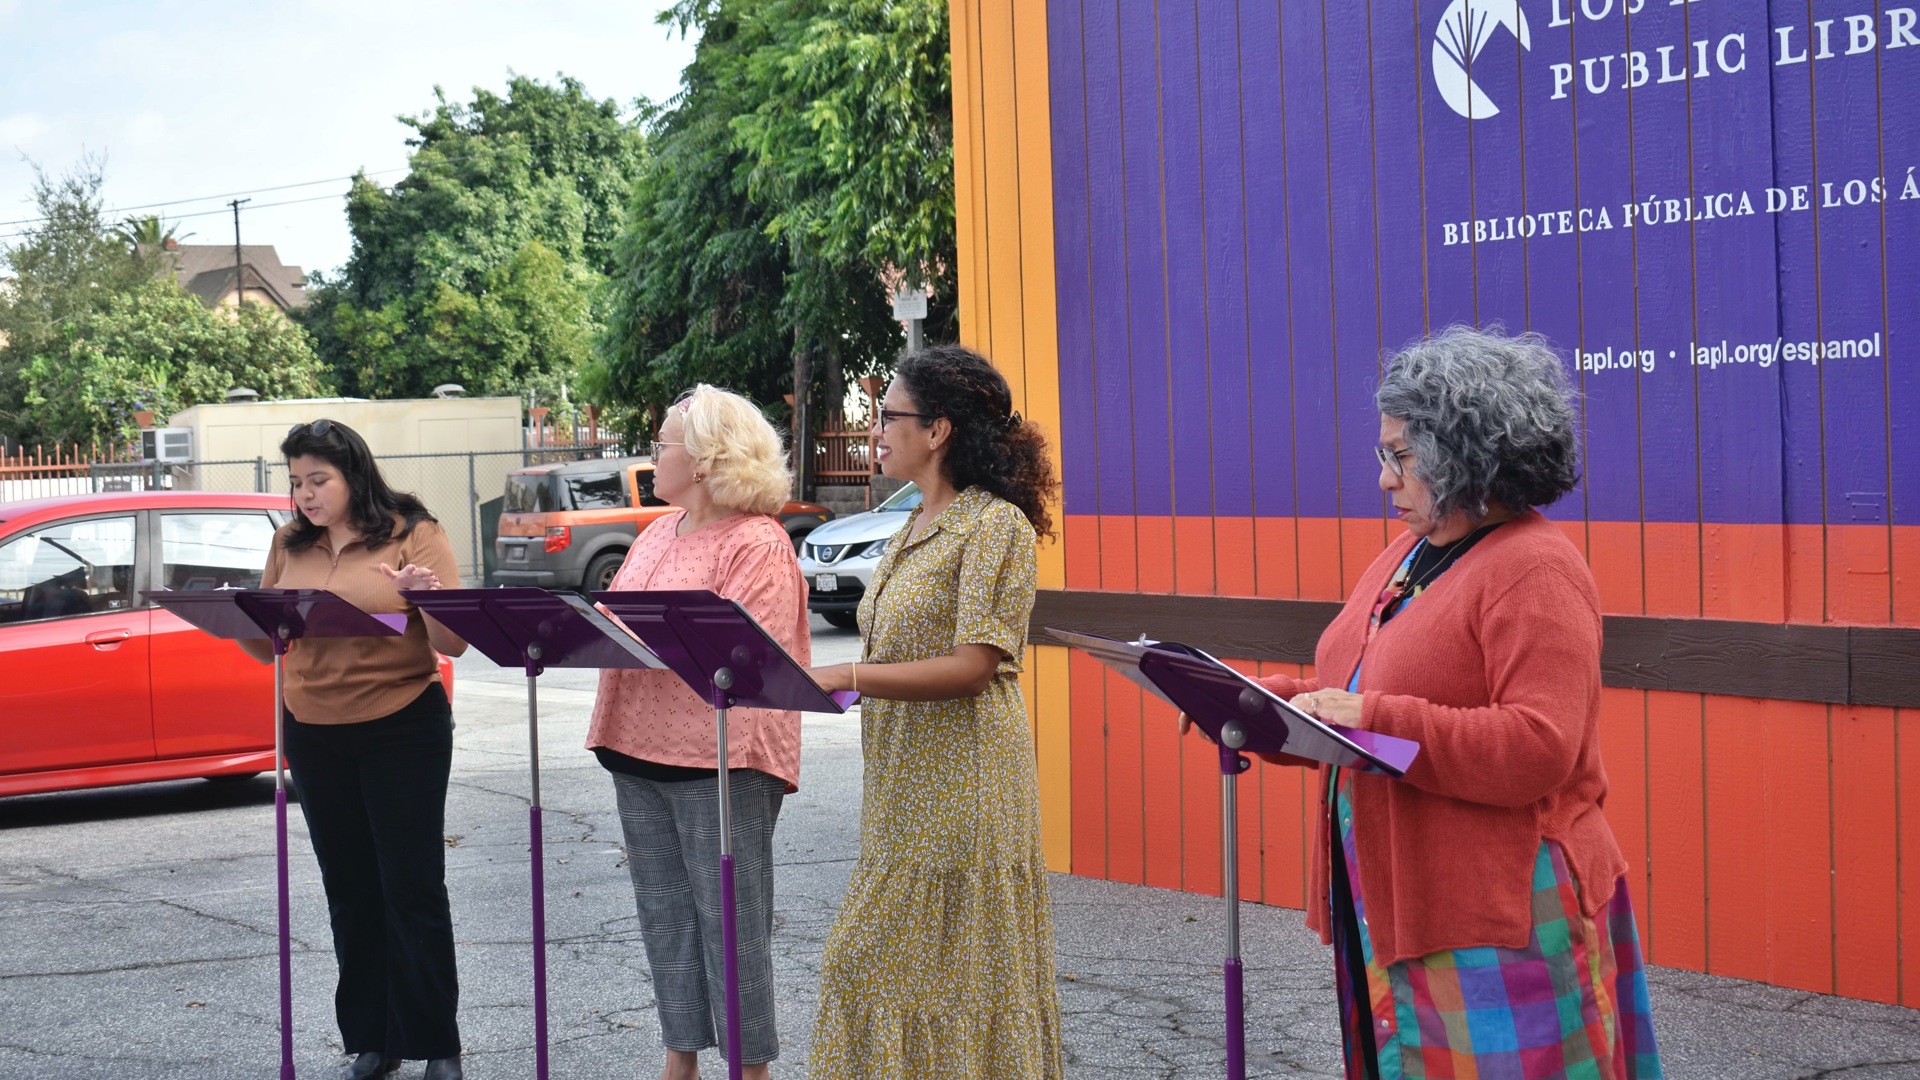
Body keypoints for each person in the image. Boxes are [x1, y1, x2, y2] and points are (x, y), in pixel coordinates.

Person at [1192, 327, 1663, 1079]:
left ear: (1467, 453)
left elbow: (1538, 748)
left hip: (1497, 912)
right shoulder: (1409, 553)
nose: (1385, 479)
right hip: (1396, 897)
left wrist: (1374, 717)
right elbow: (1357, 691)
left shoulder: (1536, 567)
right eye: (1386, 456)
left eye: (1401, 457)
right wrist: (1257, 706)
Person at [806, 344, 1065, 1079]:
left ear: (939, 429)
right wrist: (822, 683)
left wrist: (848, 674)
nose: (875, 431)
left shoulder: (995, 526)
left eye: (889, 416)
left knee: (901, 966)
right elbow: (893, 652)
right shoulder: (914, 523)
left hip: (966, 783)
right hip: (901, 779)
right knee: (906, 973)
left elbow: (974, 664)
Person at [585, 385, 808, 1080]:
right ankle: (679, 1058)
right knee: (665, 916)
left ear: (709, 458)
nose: (654, 453)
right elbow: (616, 624)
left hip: (721, 757)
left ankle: (750, 1068)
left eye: (663, 442)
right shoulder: (657, 530)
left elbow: (747, 650)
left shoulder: (757, 542)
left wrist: (645, 629)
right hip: (635, 744)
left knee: (732, 929)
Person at [239, 419, 469, 1080]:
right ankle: (373, 1038)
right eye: (295, 483)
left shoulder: (413, 530)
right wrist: (246, 621)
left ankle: (436, 1042)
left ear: (353, 475)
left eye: (319, 480)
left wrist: (428, 599)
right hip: (314, 728)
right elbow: (268, 644)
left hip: (402, 724)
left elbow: (454, 644)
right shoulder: (289, 541)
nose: (305, 495)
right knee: (351, 888)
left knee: (412, 886)